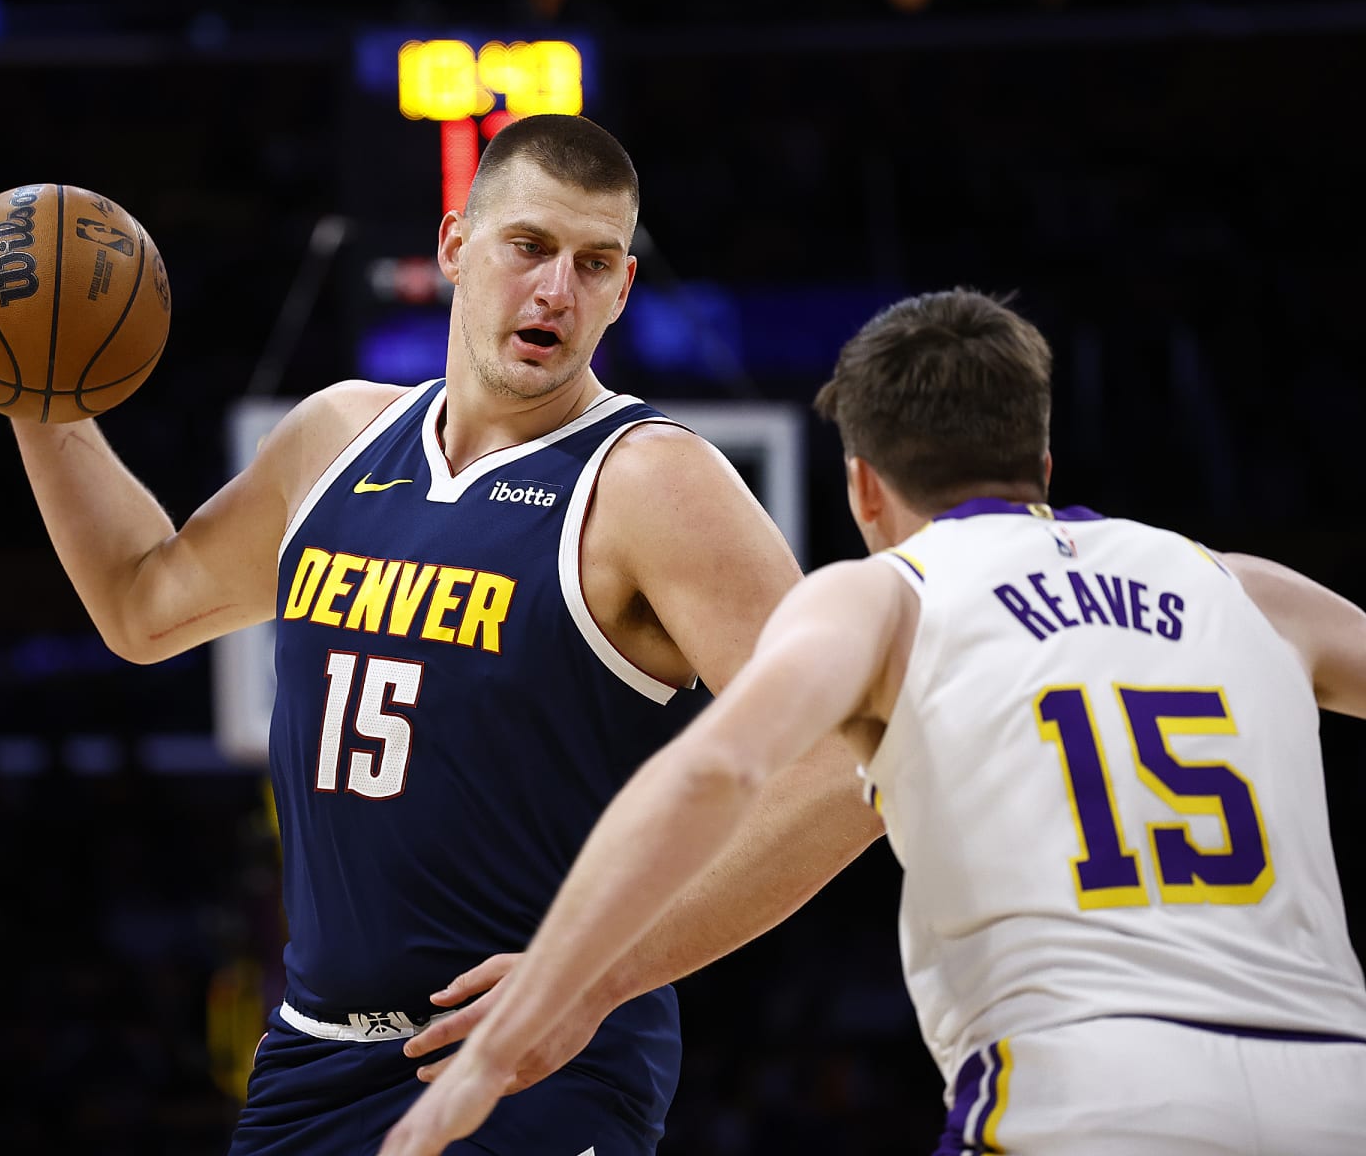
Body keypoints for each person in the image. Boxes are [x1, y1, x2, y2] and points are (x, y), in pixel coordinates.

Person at [0, 113, 884, 1155]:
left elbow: (851, 762)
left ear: (622, 290)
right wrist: (32, 393)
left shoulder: (652, 479)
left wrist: (599, 975)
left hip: (531, 1067)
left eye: (594, 262)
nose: (557, 290)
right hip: (312, 1053)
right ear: (455, 244)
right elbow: (143, 606)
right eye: (529, 247)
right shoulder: (336, 435)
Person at [380, 288, 1366, 1156]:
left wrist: (534, 1016)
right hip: (1334, 1093)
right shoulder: (1246, 592)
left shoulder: (891, 596)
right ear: (1043, 459)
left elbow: (712, 776)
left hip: (1088, 1092)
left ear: (863, 487)